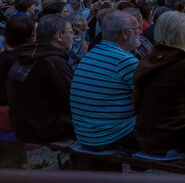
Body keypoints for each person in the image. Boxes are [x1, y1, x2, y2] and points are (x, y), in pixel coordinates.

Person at [71, 11, 141, 150]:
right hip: (110, 136)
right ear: (125, 33)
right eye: (137, 29)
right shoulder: (125, 60)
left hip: (84, 134)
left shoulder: (92, 54)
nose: (140, 32)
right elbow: (149, 98)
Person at [134, 11, 185, 156]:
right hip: (174, 139)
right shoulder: (184, 64)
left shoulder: (148, 60)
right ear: (183, 35)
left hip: (145, 136)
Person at [7, 15, 74, 143]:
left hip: (24, 127)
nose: (73, 36)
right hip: (48, 129)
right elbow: (74, 97)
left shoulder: (25, 57)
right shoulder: (53, 62)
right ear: (59, 36)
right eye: (71, 32)